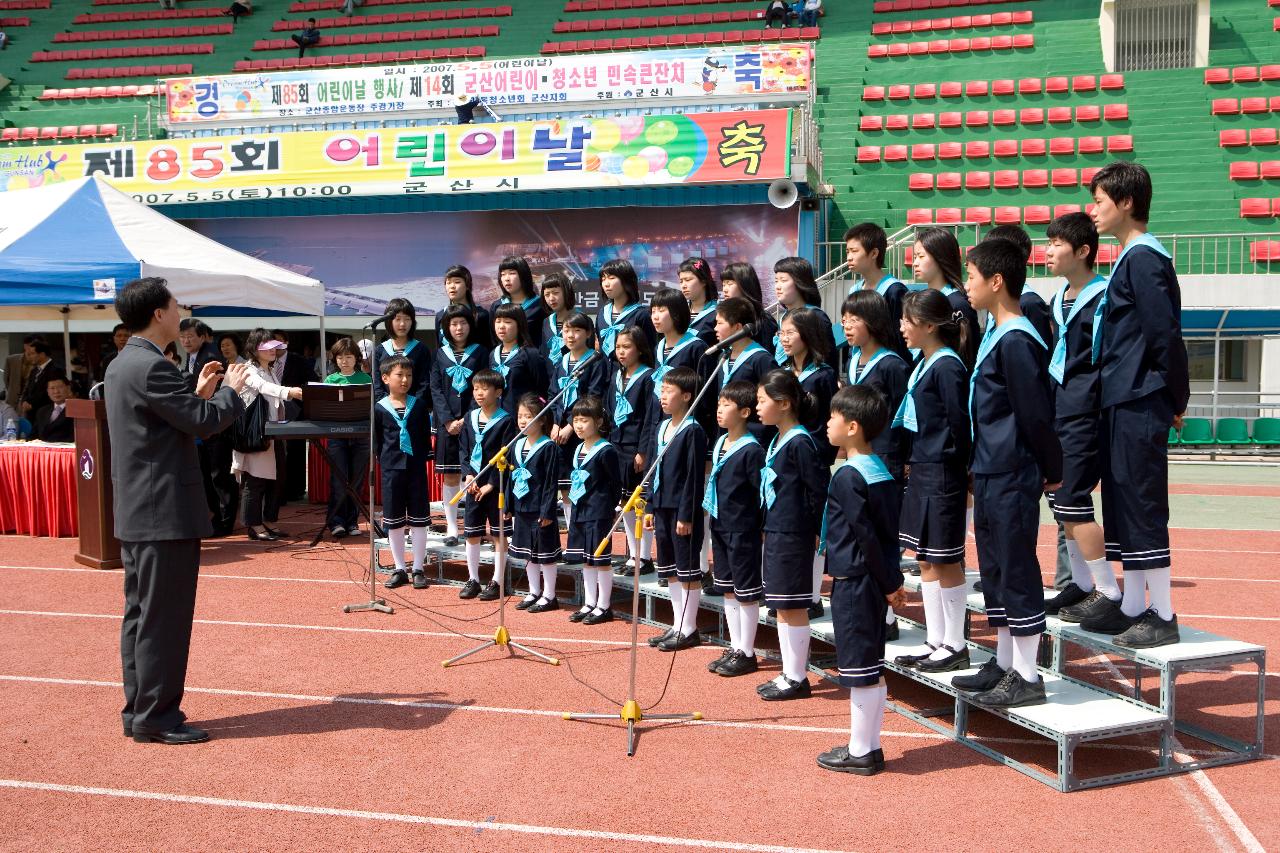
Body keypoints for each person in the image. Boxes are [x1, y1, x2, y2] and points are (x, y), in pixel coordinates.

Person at [105, 276, 249, 745]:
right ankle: (157, 716)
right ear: (158, 314)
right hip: (162, 510)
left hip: (141, 508)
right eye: (174, 303)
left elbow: (166, 422)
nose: (181, 309)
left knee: (142, 615)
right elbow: (202, 423)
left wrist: (198, 391)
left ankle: (140, 708)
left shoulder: (124, 363)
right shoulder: (150, 366)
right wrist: (230, 390)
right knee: (162, 619)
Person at [1079, 161, 1189, 648]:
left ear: (1126, 203)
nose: (1093, 210)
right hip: (1123, 397)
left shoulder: (1144, 258)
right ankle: (1132, 603)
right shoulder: (1129, 256)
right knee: (1123, 496)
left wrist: (1174, 396)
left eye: (1100, 201)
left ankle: (1162, 612)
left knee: (1142, 499)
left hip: (1142, 397)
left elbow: (1164, 333)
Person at [955, 238, 1062, 708]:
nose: (967, 285)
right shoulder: (998, 334)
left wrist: (1051, 468)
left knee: (1017, 566)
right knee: (996, 566)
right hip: (992, 467)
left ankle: (1027, 674)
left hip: (1014, 468)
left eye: (972, 276)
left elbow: (1035, 413)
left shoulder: (1018, 338)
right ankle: (1004, 660)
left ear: (996, 281)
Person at [816, 385, 906, 776]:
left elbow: (865, 535)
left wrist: (889, 584)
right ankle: (869, 745)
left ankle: (860, 751)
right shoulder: (881, 471)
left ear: (852, 427)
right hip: (874, 577)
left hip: (856, 579)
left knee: (859, 668)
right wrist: (891, 580)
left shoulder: (849, 477)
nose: (828, 423)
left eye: (834, 416)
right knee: (871, 664)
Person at [1038, 213, 1116, 619]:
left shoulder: (1106, 295)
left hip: (1087, 409)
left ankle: (1107, 590)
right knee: (1061, 502)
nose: (1047, 250)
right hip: (1061, 408)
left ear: (1083, 251)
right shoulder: (1057, 299)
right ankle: (1081, 584)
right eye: (1047, 242)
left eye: (1056, 244)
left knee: (1074, 500)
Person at [892, 289, 973, 674]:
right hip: (923, 466)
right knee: (924, 557)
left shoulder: (947, 366)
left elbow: (960, 424)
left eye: (908, 321)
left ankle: (956, 643)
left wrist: (962, 468)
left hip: (943, 470)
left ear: (927, 325)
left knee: (944, 558)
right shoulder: (923, 363)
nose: (902, 327)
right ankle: (935, 639)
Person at [756, 369, 829, 700]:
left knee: (793, 604)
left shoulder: (800, 442)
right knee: (781, 605)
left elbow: (817, 490)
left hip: (794, 532)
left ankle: (798, 677)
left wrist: (815, 531)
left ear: (784, 404)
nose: (757, 406)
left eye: (762, 400)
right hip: (777, 528)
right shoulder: (778, 438)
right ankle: (788, 672)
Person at [704, 381, 765, 677]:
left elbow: (759, 493)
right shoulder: (719, 442)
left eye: (726, 406)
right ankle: (736, 645)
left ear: (744, 412)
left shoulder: (752, 449)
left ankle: (748, 651)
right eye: (718, 405)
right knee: (727, 588)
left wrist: (760, 526)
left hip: (742, 527)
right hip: (720, 522)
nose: (719, 410)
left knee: (746, 591)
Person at [644, 366, 707, 651]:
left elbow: (693, 478)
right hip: (662, 506)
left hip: (682, 511)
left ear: (686, 396)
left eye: (669, 391)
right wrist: (649, 506)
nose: (663, 396)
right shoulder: (662, 427)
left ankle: (689, 626)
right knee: (669, 567)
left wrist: (685, 514)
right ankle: (677, 624)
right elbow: (653, 471)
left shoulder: (693, 430)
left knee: (687, 569)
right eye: (662, 390)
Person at [232, 330, 303, 543]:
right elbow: (263, 388)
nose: (272, 350)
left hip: (273, 432)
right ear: (255, 349)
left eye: (274, 346)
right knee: (255, 480)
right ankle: (253, 525)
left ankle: (269, 521)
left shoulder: (269, 369)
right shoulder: (248, 369)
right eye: (266, 346)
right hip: (256, 433)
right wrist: (289, 391)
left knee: (277, 478)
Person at [429, 305, 490, 546]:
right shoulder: (440, 354)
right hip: (447, 425)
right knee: (451, 476)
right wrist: (447, 420)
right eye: (453, 324)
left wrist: (467, 418)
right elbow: (435, 388)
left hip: (474, 422)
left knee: (477, 474)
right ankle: (452, 528)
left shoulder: (481, 352)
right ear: (446, 327)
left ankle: (477, 528)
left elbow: (485, 387)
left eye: (463, 323)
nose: (458, 328)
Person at [376, 354, 433, 590]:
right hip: (391, 469)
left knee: (419, 519)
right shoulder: (379, 408)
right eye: (399, 375)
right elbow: (378, 439)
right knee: (395, 520)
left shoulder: (418, 405)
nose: (405, 380)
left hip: (416, 467)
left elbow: (423, 434)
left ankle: (418, 567)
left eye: (409, 375)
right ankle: (400, 568)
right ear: (385, 378)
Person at [562, 395, 622, 624]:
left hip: (599, 511)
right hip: (580, 509)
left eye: (584, 420)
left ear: (598, 422)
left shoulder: (606, 450)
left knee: (601, 560)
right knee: (586, 559)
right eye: (576, 420)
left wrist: (610, 506)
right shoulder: (577, 449)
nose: (578, 425)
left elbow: (615, 483)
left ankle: (604, 606)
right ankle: (589, 602)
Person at [459, 369, 516, 601]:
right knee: (472, 532)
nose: (479, 393)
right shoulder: (470, 417)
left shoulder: (506, 420)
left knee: (498, 534)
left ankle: (497, 580)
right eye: (476, 388)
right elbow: (463, 448)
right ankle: (473, 578)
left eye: (485, 389)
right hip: (474, 483)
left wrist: (491, 484)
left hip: (497, 486)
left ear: (498, 392)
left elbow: (508, 455)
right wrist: (468, 475)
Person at [606, 327, 657, 576]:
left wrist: (643, 450)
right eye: (618, 347)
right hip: (617, 444)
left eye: (626, 347)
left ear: (639, 348)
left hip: (636, 447)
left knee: (640, 502)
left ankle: (645, 556)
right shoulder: (617, 375)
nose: (621, 352)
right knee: (624, 502)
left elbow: (650, 417)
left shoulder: (648, 377)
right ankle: (633, 554)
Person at [550, 313, 609, 528]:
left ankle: (587, 533)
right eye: (566, 331)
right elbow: (553, 394)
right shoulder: (561, 361)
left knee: (586, 482)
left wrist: (570, 427)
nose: (571, 336)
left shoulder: (595, 360)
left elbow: (593, 396)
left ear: (587, 333)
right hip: (561, 430)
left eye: (576, 331)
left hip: (584, 431)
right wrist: (556, 423)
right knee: (566, 485)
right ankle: (573, 530)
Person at [506, 393, 563, 612]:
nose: (522, 420)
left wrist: (547, 510)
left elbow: (550, 482)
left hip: (540, 508)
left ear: (541, 420)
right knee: (526, 551)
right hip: (521, 506)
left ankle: (550, 595)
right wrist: (509, 506)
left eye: (528, 416)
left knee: (544, 553)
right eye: (520, 416)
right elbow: (510, 477)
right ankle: (533, 591)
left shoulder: (548, 447)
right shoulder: (516, 445)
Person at [323, 338, 372, 539]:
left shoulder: (366, 379)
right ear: (335, 359)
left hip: (361, 435)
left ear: (357, 358)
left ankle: (352, 521)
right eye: (340, 357)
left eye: (349, 356)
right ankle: (336, 522)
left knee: (357, 481)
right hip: (337, 436)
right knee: (339, 480)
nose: (344, 361)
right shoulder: (329, 380)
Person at [845, 223, 912, 362]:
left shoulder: (894, 290)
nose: (849, 257)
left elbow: (901, 339)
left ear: (874, 253)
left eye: (854, 251)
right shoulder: (854, 290)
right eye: (847, 252)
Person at [912, 228, 981, 351]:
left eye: (921, 256)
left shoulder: (958, 304)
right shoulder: (920, 300)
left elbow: (969, 355)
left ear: (940, 257)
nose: (915, 263)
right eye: (915, 256)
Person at [773, 256, 838, 366]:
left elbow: (828, 358)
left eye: (783, 280)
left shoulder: (816, 316)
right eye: (776, 281)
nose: (778, 286)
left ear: (800, 282)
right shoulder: (784, 317)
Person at [490, 303, 548, 414]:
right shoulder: (493, 354)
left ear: (519, 324)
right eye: (498, 321)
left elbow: (542, 390)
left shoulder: (530, 354)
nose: (501, 326)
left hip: (523, 420)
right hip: (497, 419)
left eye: (507, 322)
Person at [597, 258, 656, 360]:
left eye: (611, 278)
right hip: (604, 374)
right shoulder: (602, 314)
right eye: (603, 279)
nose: (606, 284)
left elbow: (649, 351)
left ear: (626, 280)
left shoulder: (641, 315)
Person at [372, 298, 430, 402]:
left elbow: (424, 383)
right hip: (386, 409)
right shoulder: (380, 350)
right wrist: (389, 405)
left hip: (414, 408)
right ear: (389, 321)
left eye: (407, 319)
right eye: (398, 319)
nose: (402, 324)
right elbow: (377, 384)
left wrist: (414, 405)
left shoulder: (421, 349)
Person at [490, 256, 547, 349]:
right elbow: (493, 340)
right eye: (503, 274)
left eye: (512, 273)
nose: (506, 278)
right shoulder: (497, 306)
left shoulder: (540, 305)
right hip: (506, 361)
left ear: (524, 275)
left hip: (533, 359)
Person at [720, 262, 777, 349]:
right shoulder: (726, 317)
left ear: (744, 284)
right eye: (723, 284)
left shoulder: (764, 320)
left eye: (729, 284)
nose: (725, 289)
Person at [437, 264, 494, 350]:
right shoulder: (440, 316)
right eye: (448, 283)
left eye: (457, 282)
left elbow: (488, 347)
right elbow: (439, 348)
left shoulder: (481, 315)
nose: (452, 286)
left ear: (467, 285)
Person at [538, 271, 581, 366]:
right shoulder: (547, 322)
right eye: (547, 294)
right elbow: (544, 352)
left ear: (566, 292)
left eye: (555, 293)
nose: (551, 298)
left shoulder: (581, 320)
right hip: (550, 377)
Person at [18, 337, 65, 418]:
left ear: (42, 354)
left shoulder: (55, 370)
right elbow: (28, 389)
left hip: (46, 415)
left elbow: (53, 393)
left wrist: (32, 404)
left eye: (33, 353)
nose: (30, 356)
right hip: (31, 415)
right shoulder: (34, 370)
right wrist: (24, 401)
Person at [678, 257, 720, 348]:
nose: (683, 286)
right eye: (681, 281)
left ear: (703, 280)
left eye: (688, 280)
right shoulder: (679, 313)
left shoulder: (718, 314)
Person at [32, 375, 74, 443]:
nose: (56, 391)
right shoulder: (42, 411)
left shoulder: (76, 410)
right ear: (48, 392)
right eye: (52, 388)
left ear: (68, 388)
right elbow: (33, 435)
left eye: (60, 387)